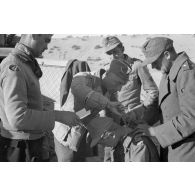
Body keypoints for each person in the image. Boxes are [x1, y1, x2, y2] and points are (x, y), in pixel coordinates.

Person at [0, 34, 80, 162]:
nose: (47, 47)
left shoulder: (25, 63)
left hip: (28, 144)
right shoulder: (15, 67)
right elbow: (18, 118)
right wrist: (58, 116)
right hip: (20, 147)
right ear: (34, 35)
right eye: (46, 41)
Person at [53, 63, 129, 161]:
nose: (119, 89)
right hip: (66, 135)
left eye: (122, 85)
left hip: (83, 134)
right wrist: (106, 104)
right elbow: (80, 98)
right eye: (118, 83)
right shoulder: (83, 78)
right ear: (107, 75)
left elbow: (113, 111)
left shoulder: (109, 88)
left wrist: (123, 119)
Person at [137, 37, 195, 162]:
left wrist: (154, 131)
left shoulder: (188, 73)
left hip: (187, 151)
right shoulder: (169, 72)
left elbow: (191, 117)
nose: (152, 66)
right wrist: (144, 122)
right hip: (173, 146)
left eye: (155, 61)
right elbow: (164, 107)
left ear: (167, 55)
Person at [102, 36, 159, 161]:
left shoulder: (137, 66)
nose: (113, 56)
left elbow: (153, 91)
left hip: (132, 123)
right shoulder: (105, 70)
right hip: (112, 125)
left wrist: (138, 112)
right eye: (109, 53)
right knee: (111, 158)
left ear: (122, 48)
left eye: (115, 52)